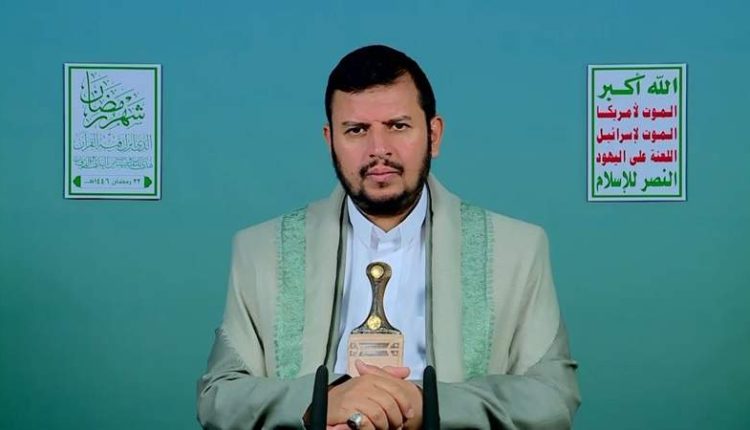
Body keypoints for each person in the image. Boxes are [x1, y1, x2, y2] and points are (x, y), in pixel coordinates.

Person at [197, 44, 580, 429]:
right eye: (356, 130)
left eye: (398, 126)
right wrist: (322, 401)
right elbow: (219, 397)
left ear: (434, 135)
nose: (378, 150)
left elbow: (551, 398)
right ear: (330, 141)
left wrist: (426, 404)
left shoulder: (516, 249)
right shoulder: (262, 251)